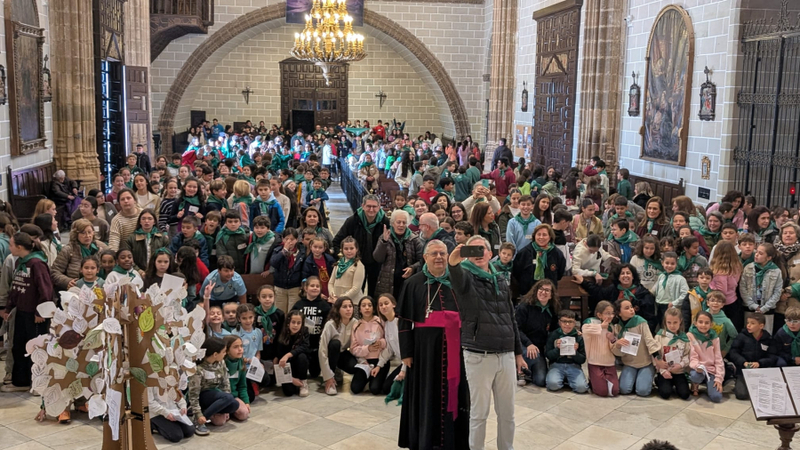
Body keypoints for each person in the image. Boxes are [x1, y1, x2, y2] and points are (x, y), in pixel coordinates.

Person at [449, 237, 526, 450]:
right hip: (478, 353)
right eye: (472, 249)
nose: (478, 253)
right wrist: (454, 259)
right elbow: (454, 272)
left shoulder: (500, 279)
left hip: (506, 354)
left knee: (507, 414)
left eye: (481, 248)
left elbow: (511, 317)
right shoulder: (465, 277)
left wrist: (518, 353)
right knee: (479, 413)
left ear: (490, 253)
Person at [397, 240, 469, 450]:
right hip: (424, 352)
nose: (439, 257)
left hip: (456, 350)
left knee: (454, 392)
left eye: (443, 253)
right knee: (426, 394)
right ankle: (425, 440)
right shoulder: (413, 283)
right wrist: (406, 353)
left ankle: (455, 440)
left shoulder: (459, 280)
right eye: (434, 254)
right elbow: (404, 322)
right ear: (425, 257)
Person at [0, 232, 53, 392]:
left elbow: (46, 290)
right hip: (22, 312)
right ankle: (21, 381)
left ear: (20, 247)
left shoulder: (37, 263)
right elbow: (16, 288)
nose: (9, 248)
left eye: (11, 245)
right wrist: (7, 308)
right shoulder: (20, 263)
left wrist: (41, 312)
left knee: (35, 349)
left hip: (35, 315)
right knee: (19, 347)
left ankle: (38, 383)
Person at [332, 195, 389, 298]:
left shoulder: (385, 222)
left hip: (377, 264)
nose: (371, 209)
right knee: (356, 294)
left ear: (379, 206)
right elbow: (336, 241)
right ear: (362, 206)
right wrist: (344, 259)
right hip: (356, 264)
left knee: (375, 295)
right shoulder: (353, 221)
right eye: (368, 206)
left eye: (374, 206)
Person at [187, 337, 241, 435]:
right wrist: (199, 414)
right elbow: (193, 395)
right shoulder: (198, 369)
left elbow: (225, 383)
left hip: (216, 395)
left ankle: (209, 412)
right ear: (215, 354)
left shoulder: (221, 363)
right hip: (202, 396)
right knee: (228, 397)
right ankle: (199, 419)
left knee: (234, 404)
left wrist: (226, 403)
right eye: (224, 352)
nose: (225, 354)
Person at [611, 298, 660, 397]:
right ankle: (636, 379)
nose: (631, 309)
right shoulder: (617, 327)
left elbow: (649, 340)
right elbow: (617, 353)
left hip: (645, 363)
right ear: (619, 313)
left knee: (643, 391)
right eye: (627, 308)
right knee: (623, 390)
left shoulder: (641, 322)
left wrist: (657, 358)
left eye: (631, 307)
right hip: (629, 363)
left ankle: (645, 378)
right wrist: (618, 345)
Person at [515, 279, 559, 387]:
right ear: (536, 291)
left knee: (541, 380)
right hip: (523, 344)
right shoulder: (524, 307)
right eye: (541, 289)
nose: (543, 292)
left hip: (538, 348)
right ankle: (519, 370)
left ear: (551, 295)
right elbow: (516, 329)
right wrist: (529, 344)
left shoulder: (552, 310)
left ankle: (527, 372)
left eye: (547, 290)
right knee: (533, 356)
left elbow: (554, 329)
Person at [373, 210, 424, 299]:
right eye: (398, 222)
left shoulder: (414, 239)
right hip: (387, 282)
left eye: (404, 222)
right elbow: (378, 258)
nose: (401, 225)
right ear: (392, 223)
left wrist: (412, 268)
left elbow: (422, 260)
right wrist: (384, 242)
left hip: (407, 283)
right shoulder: (385, 237)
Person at [728, 312, 778, 400]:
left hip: (761, 370)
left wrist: (760, 363)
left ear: (761, 326)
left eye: (752, 323)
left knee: (767, 394)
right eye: (748, 323)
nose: (748, 325)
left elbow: (773, 356)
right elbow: (733, 352)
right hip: (744, 370)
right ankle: (739, 382)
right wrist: (743, 362)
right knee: (741, 395)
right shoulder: (741, 336)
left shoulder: (768, 339)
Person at [512, 224, 566, 296]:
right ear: (534, 236)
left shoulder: (557, 254)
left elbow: (559, 274)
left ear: (550, 237)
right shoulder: (524, 253)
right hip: (528, 294)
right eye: (538, 234)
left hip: (549, 296)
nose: (541, 237)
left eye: (544, 235)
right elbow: (516, 273)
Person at [349, 295, 389, 394]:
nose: (367, 308)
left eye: (369, 305)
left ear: (374, 308)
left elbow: (388, 342)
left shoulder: (381, 322)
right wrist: (368, 348)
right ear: (360, 309)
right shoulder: (356, 325)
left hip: (380, 361)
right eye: (364, 305)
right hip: (364, 362)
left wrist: (381, 343)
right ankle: (367, 377)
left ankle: (377, 378)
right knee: (355, 389)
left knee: (375, 389)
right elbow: (353, 349)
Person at [319, 297, 357, 395]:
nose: (348, 309)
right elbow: (322, 350)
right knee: (335, 344)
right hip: (329, 353)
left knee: (354, 367)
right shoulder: (330, 324)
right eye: (344, 307)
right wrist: (327, 376)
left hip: (342, 353)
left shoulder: (355, 323)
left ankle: (337, 368)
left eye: (350, 306)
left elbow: (357, 345)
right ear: (338, 309)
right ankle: (329, 378)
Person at [544, 309, 589, 393]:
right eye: (564, 321)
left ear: (575, 322)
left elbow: (582, 359)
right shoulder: (554, 335)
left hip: (573, 365)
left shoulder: (579, 337)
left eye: (570, 322)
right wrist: (557, 349)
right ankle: (563, 379)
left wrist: (575, 352)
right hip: (557, 365)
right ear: (559, 322)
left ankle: (568, 379)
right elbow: (548, 355)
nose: (567, 324)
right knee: (553, 385)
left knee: (582, 388)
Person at [582, 301, 620, 397]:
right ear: (599, 314)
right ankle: (593, 381)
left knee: (614, 391)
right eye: (607, 313)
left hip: (609, 362)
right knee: (602, 392)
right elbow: (585, 329)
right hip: (595, 362)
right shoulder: (590, 322)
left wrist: (613, 339)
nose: (611, 316)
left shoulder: (611, 327)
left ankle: (603, 379)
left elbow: (613, 346)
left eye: (612, 313)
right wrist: (600, 327)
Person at [653, 307, 691, 400]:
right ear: (665, 322)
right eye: (669, 322)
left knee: (685, 395)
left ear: (680, 321)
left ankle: (676, 383)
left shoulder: (684, 338)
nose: (672, 326)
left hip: (678, 371)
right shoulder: (659, 336)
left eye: (675, 322)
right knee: (665, 394)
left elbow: (687, 355)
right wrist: (662, 370)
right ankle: (658, 380)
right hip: (664, 371)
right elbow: (655, 355)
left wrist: (681, 365)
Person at [687, 311, 724, 402]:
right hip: (697, 369)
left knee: (717, 397)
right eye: (700, 322)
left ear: (711, 325)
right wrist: (697, 366)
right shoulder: (690, 335)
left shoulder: (715, 338)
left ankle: (708, 383)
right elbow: (692, 356)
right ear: (695, 323)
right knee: (696, 376)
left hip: (711, 370)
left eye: (707, 323)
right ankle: (695, 382)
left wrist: (719, 378)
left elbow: (718, 358)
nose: (703, 325)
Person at [274, 310, 311, 397]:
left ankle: (303, 381)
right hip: (287, 366)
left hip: (299, 364)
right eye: (293, 322)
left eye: (299, 323)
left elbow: (304, 347)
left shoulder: (305, 331)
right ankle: (294, 381)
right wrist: (291, 379)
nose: (295, 325)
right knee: (289, 392)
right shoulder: (282, 333)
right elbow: (279, 356)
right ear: (288, 323)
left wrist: (288, 355)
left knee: (302, 356)